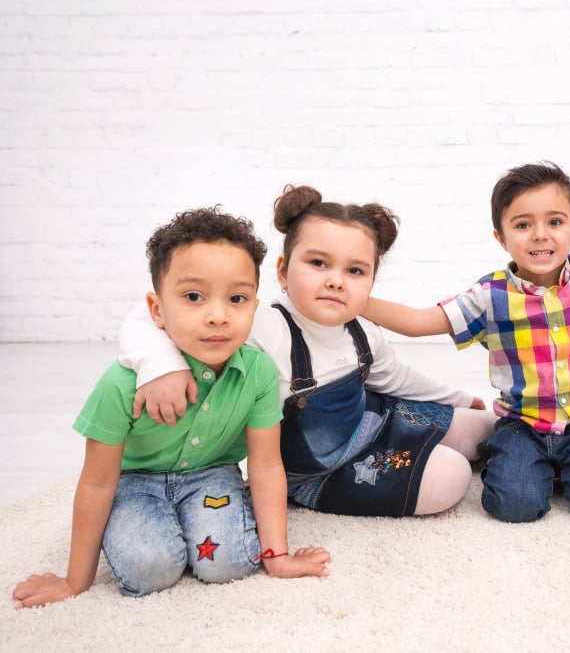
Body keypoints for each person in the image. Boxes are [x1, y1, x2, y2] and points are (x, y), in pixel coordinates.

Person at [12, 208, 330, 609]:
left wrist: (278, 557)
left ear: (254, 304)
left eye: (237, 298)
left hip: (211, 477)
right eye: (193, 297)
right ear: (157, 309)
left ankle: (206, 522)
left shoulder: (259, 373)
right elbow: (96, 482)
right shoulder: (122, 382)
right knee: (151, 568)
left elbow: (265, 465)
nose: (218, 316)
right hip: (134, 482)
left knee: (228, 563)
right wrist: (76, 580)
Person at [119, 186, 496, 518]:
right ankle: (320, 491)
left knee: (484, 427)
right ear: (282, 271)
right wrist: (162, 366)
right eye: (318, 263)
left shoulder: (364, 330)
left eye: (355, 271)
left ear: (370, 284)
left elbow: (395, 378)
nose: (335, 279)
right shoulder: (264, 324)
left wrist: (460, 398)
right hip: (320, 470)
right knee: (453, 477)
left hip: (372, 422)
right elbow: (145, 315)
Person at [362, 162, 570, 523]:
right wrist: (358, 299)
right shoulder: (489, 295)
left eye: (555, 222)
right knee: (514, 505)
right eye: (523, 225)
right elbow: (421, 321)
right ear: (501, 237)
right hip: (522, 423)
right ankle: (521, 460)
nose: (540, 235)